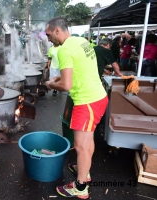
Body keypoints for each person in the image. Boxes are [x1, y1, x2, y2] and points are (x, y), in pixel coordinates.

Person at [45, 17, 108, 199]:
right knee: (87, 141)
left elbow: (65, 85)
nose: (48, 39)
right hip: (98, 97)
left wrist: (50, 85)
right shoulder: (81, 41)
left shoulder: (64, 50)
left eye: (49, 35)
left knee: (81, 147)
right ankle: (84, 171)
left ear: (57, 30)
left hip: (87, 102)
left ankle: (80, 187)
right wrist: (56, 79)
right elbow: (80, 68)